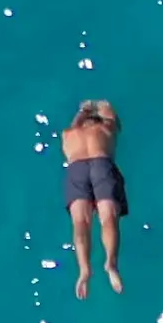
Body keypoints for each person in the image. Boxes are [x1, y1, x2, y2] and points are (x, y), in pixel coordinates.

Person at [61, 99, 127, 300]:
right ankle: (111, 263)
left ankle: (84, 270)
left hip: (76, 168)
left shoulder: (69, 134)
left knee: (80, 223)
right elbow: (114, 120)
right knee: (108, 218)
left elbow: (75, 123)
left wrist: (83, 109)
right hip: (102, 164)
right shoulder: (105, 129)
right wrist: (103, 105)